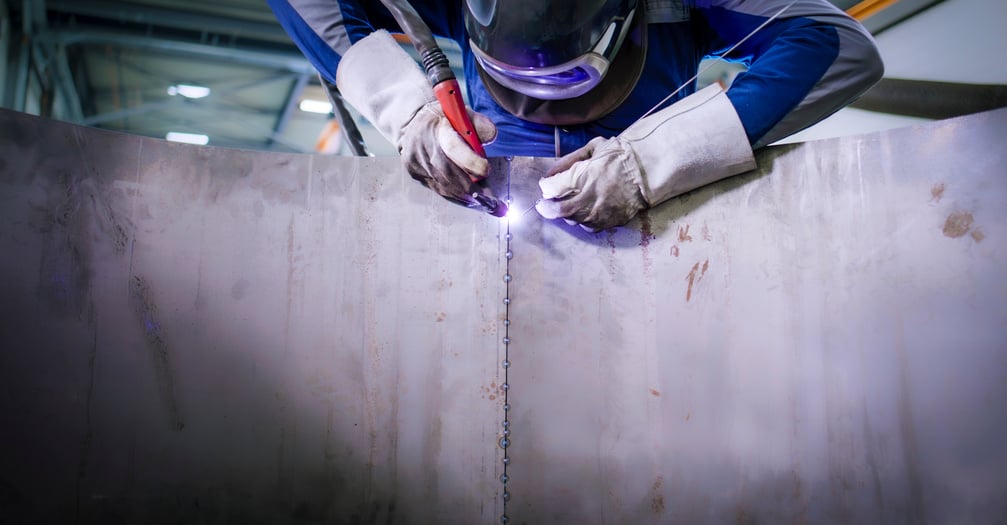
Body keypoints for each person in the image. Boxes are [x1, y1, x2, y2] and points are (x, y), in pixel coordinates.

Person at [267, 0, 883, 230]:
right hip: (485, 224)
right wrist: (408, 113)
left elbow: (838, 47)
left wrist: (653, 163)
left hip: (665, 235)